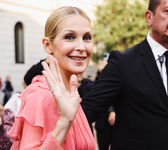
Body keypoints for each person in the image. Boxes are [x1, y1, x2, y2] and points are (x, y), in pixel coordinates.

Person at [42, 0, 168, 149]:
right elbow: (87, 111)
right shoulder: (123, 62)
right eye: (167, 11)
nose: (80, 45)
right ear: (149, 17)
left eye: (87, 38)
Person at [8, 6, 96, 149]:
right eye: (70, 37)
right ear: (48, 45)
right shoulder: (41, 95)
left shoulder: (70, 93)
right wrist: (64, 121)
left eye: (87, 37)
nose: (81, 47)